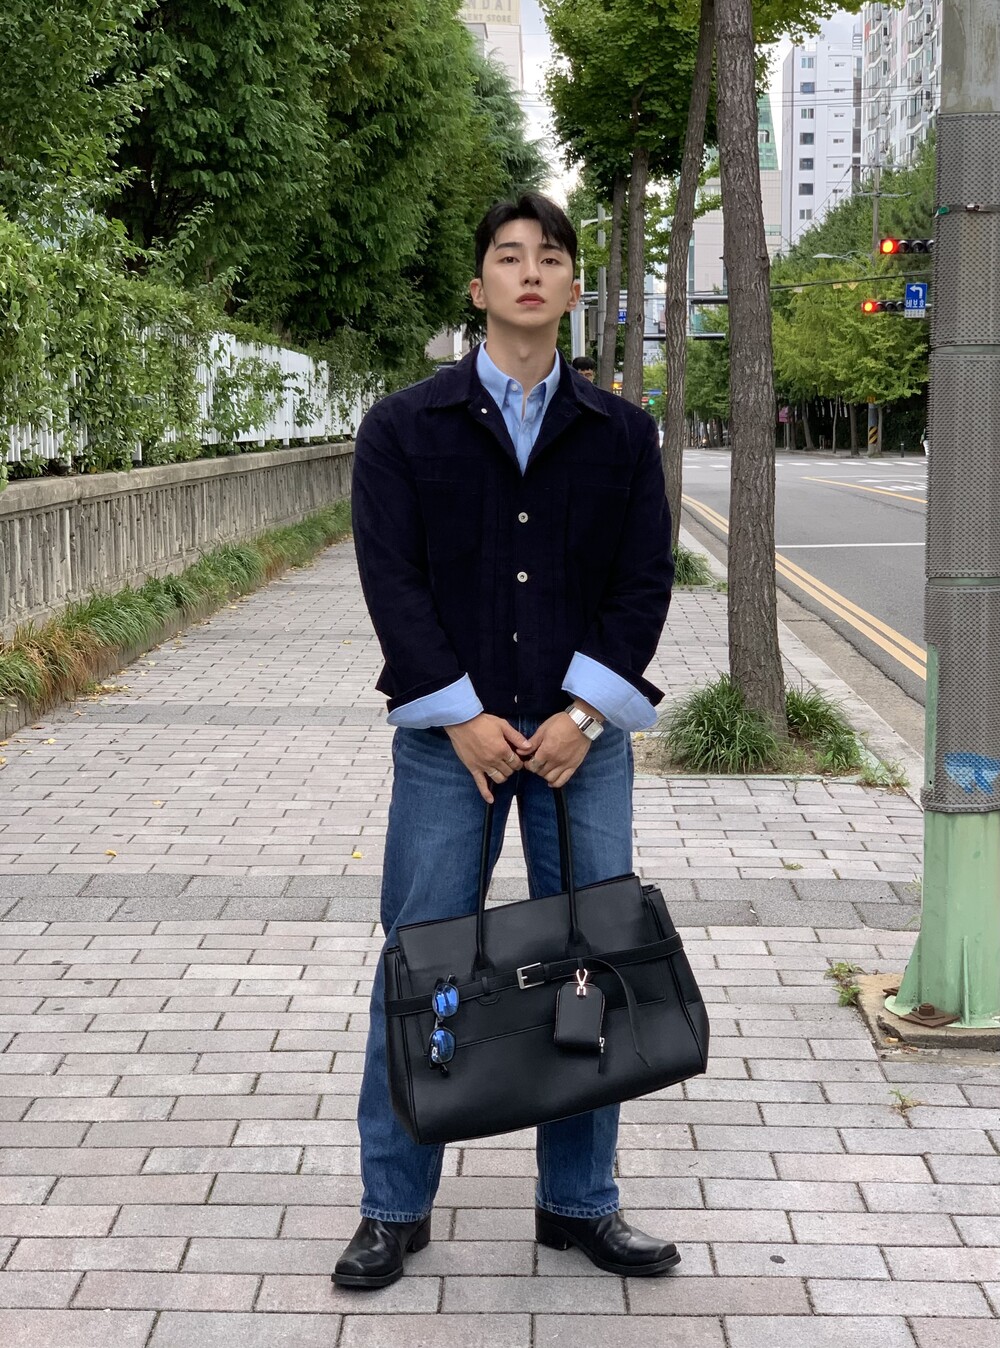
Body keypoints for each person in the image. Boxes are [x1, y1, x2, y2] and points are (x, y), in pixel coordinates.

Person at [335, 192, 676, 1291]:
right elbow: (392, 582)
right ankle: (393, 1207)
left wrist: (582, 716)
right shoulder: (405, 427)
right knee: (422, 965)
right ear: (477, 285)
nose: (531, 271)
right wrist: (463, 715)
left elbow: (642, 583)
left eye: (551, 257)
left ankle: (579, 1202)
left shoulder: (620, 433)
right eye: (509, 256)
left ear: (575, 288)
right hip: (451, 746)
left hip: (582, 745)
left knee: (592, 964)